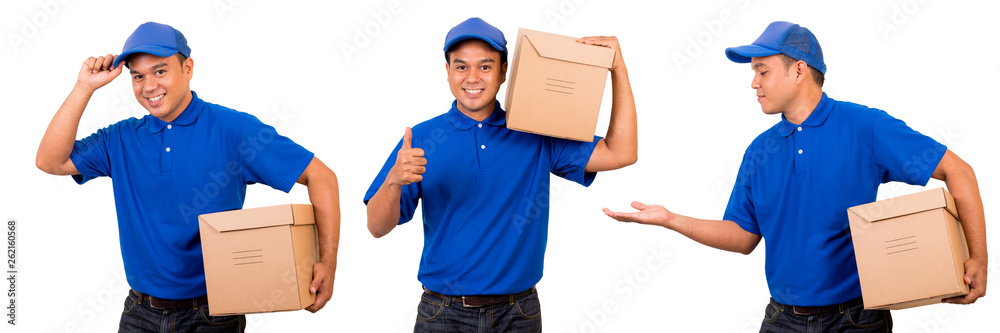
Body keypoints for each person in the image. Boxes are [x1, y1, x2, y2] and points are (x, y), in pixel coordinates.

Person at [603, 21, 986, 332]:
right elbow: (742, 237)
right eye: (754, 73)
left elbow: (958, 171)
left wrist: (978, 259)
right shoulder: (759, 151)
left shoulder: (865, 127)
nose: (754, 83)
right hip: (782, 320)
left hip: (856, 320)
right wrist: (671, 219)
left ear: (799, 70)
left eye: (762, 71)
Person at [35, 22, 340, 332]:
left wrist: (326, 263)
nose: (148, 86)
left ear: (188, 68)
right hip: (139, 313)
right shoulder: (121, 139)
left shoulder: (235, 130)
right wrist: (84, 87)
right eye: (137, 76)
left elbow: (321, 177)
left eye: (160, 71)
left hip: (214, 315)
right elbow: (50, 161)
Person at [364, 17, 637, 332]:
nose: (472, 78)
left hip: (518, 314)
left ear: (504, 71)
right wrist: (394, 181)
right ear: (448, 71)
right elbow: (376, 227)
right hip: (443, 314)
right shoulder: (422, 138)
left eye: (485, 66)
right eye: (461, 66)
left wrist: (618, 69)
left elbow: (622, 153)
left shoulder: (536, 131)